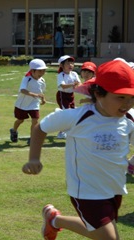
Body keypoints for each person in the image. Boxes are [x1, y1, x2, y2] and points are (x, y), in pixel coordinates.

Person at [22, 59, 134, 240]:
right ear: (98, 94)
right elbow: (40, 128)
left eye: (131, 98)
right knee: (109, 238)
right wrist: (34, 158)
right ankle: (55, 220)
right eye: (120, 97)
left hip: (114, 188)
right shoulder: (79, 117)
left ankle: (54, 220)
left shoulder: (128, 120)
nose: (127, 103)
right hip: (86, 190)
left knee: (97, 231)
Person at [10, 59, 47, 145]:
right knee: (20, 120)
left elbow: (40, 92)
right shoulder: (27, 79)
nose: (42, 73)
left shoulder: (42, 80)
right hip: (22, 104)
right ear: (32, 71)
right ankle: (14, 130)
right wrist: (34, 94)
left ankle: (32, 138)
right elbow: (22, 90)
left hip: (34, 104)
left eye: (43, 71)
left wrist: (43, 99)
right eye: (40, 71)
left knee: (35, 120)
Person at [56, 55, 81, 139]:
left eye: (72, 63)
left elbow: (79, 84)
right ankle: (61, 132)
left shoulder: (74, 74)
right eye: (68, 63)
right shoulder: (61, 75)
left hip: (71, 95)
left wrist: (77, 86)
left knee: (72, 113)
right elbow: (63, 86)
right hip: (62, 95)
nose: (70, 65)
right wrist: (73, 84)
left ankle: (67, 130)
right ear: (61, 66)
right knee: (67, 113)